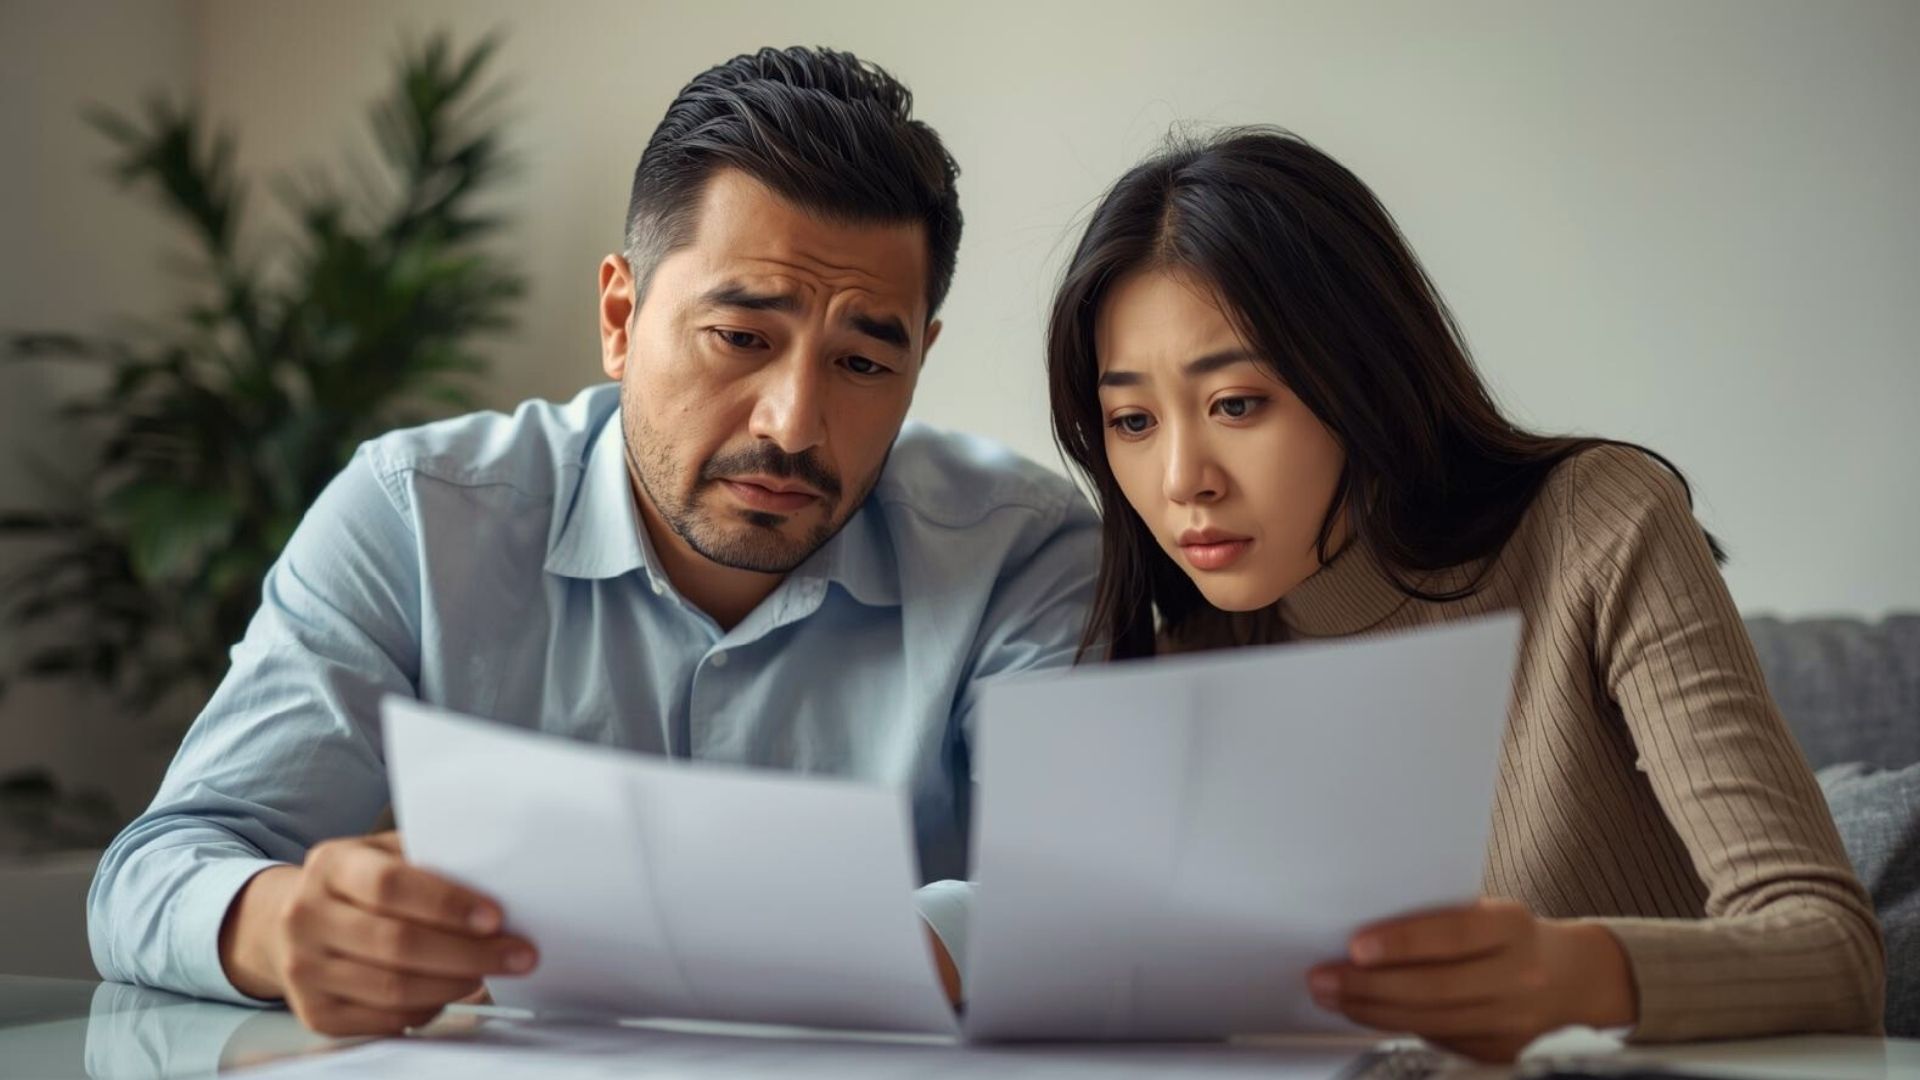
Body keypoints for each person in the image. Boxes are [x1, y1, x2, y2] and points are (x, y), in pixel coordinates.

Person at [89, 46, 1097, 1036]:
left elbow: (1092, 899)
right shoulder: (414, 517)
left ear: (921, 356)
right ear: (621, 316)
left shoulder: (1023, 554)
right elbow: (155, 870)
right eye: (742, 338)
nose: (793, 422)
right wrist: (278, 926)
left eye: (864, 362)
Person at [1044, 126, 1884, 1061]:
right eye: (1131, 420)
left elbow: (1833, 954)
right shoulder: (1190, 668)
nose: (1180, 479)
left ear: (1357, 375)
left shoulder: (1595, 527)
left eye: (1237, 403)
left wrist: (1572, 977)